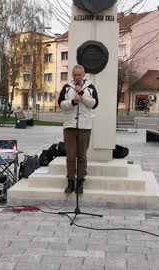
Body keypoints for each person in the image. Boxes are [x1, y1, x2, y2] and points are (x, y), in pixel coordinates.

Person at [57, 65, 99, 194]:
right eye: (75, 75)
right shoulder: (66, 87)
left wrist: (82, 95)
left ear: (83, 75)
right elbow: (61, 104)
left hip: (84, 126)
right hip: (70, 126)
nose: (77, 77)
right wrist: (73, 102)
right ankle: (70, 181)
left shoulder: (90, 88)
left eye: (79, 75)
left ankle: (80, 180)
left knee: (82, 155)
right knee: (70, 155)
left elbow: (94, 103)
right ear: (72, 75)